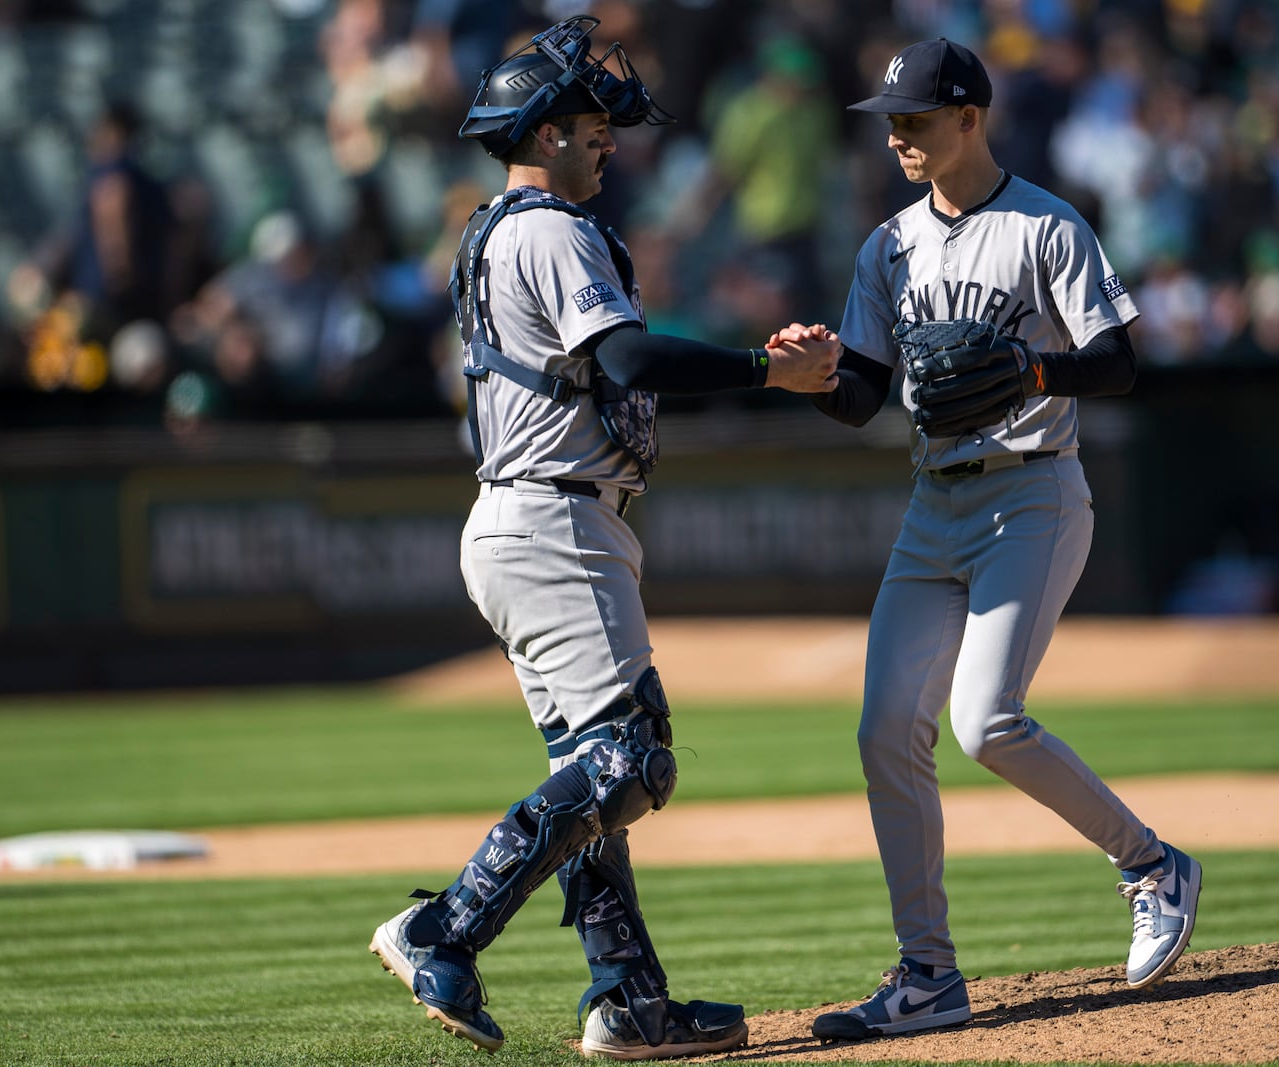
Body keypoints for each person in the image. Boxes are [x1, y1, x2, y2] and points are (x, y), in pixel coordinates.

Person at [367, 15, 841, 1061]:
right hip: (552, 518)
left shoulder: (506, 228)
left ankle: (628, 999)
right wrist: (771, 371)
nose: (606, 139)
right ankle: (442, 925)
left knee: (592, 775)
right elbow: (625, 361)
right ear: (538, 130)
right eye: (587, 121)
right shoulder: (548, 227)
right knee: (633, 759)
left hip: (536, 515)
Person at [794, 38, 1202, 1042]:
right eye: (888, 119)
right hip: (933, 506)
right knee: (886, 727)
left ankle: (1151, 862)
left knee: (986, 722)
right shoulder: (885, 245)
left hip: (1034, 494)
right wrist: (809, 373)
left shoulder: (1044, 227)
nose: (896, 134)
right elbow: (861, 395)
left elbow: (1115, 361)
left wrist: (1032, 375)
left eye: (916, 119)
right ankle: (926, 973)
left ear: (969, 117)